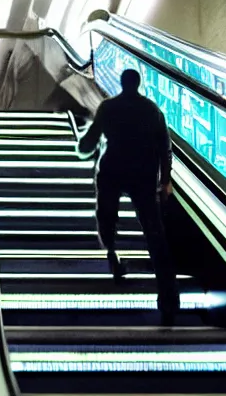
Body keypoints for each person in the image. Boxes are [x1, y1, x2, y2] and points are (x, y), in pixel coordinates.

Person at [77, 69, 179, 325]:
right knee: (155, 233)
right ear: (139, 84)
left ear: (121, 84)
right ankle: (168, 298)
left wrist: (84, 146)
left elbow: (88, 143)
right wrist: (165, 181)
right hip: (143, 175)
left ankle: (112, 254)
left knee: (106, 215)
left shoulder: (108, 107)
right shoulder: (152, 109)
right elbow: (165, 148)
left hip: (112, 169)